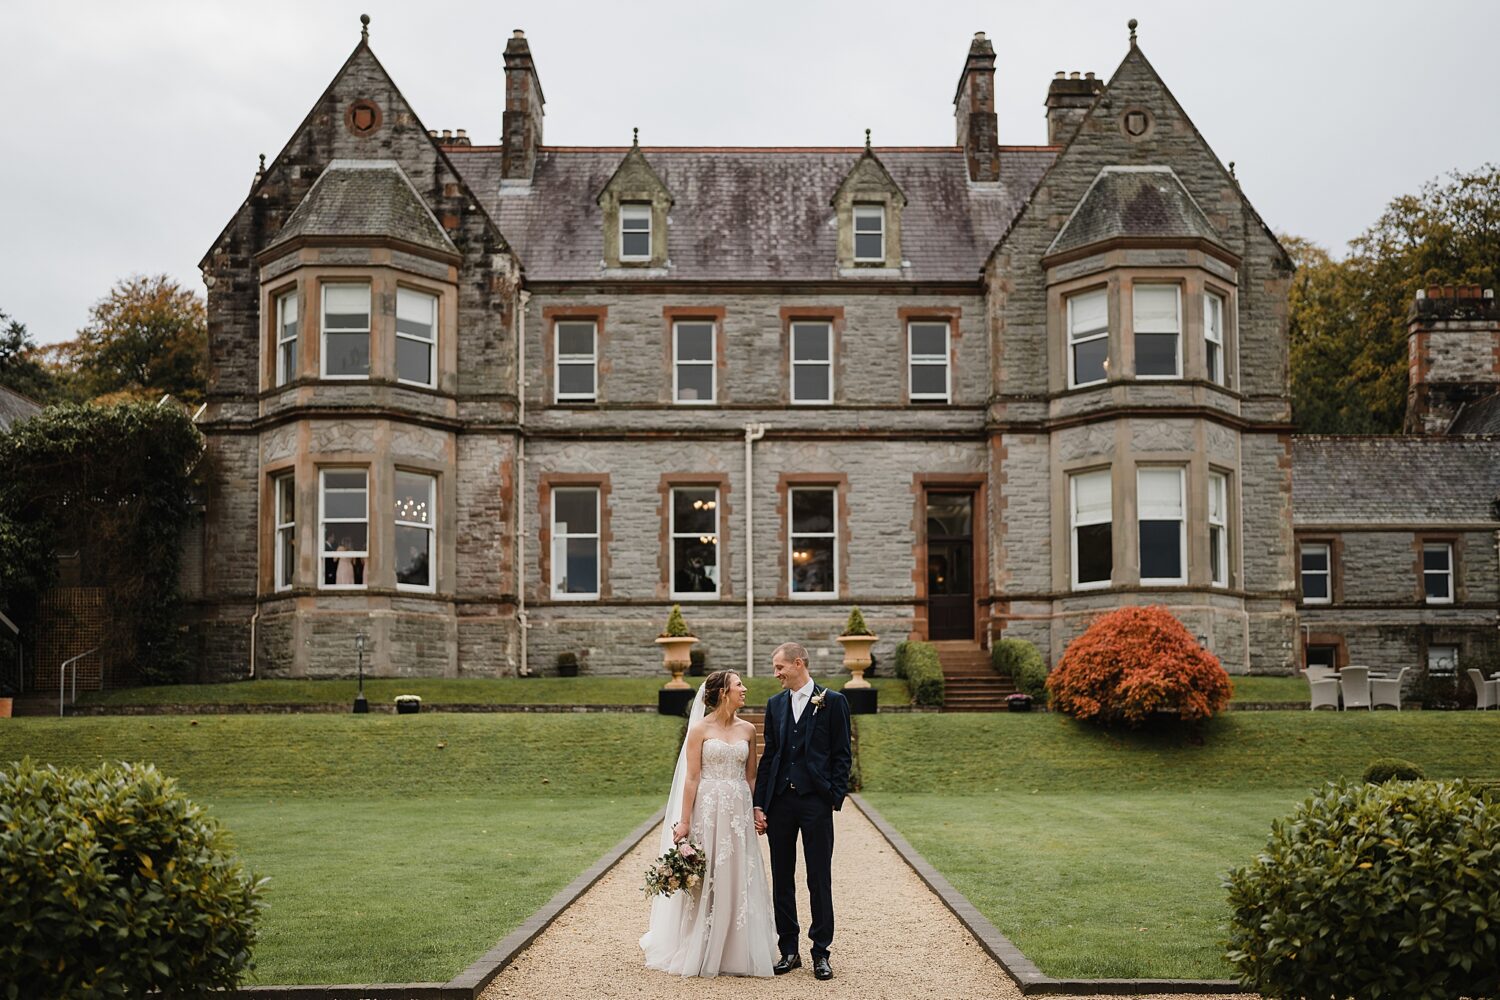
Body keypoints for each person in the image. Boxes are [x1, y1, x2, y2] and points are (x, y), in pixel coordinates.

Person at [641, 670, 777, 977]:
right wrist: (685, 822)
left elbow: (751, 775)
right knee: (709, 873)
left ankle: (736, 948)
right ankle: (698, 945)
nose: (745, 688)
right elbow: (692, 776)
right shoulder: (700, 729)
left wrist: (757, 809)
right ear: (723, 692)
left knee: (738, 872)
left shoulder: (747, 729)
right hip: (708, 807)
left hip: (739, 810)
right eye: (739, 684)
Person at [753, 642, 852, 981]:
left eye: (779, 667)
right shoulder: (775, 704)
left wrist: (833, 796)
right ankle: (789, 950)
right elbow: (770, 757)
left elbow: (842, 754)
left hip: (815, 802)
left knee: (818, 878)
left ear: (798, 663)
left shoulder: (833, 701)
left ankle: (821, 951)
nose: (776, 673)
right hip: (781, 802)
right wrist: (761, 803)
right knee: (782, 877)